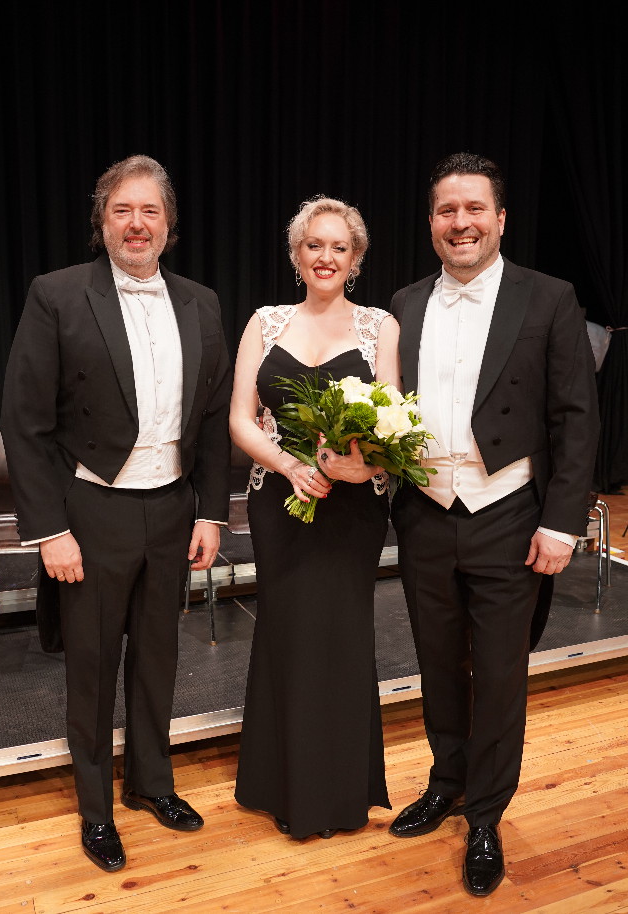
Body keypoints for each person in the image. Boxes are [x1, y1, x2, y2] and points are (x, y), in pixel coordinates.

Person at [0, 155, 231, 872]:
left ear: (168, 223)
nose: (137, 224)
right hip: (91, 511)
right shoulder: (57, 294)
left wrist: (211, 514)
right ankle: (96, 808)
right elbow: (25, 423)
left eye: (149, 211)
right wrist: (50, 530)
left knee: (159, 657)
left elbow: (214, 420)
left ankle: (151, 783)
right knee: (93, 666)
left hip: (173, 508)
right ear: (101, 222)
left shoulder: (202, 302)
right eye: (122, 210)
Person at [388, 153, 599, 896]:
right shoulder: (405, 303)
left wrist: (561, 524)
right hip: (425, 512)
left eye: (474, 208)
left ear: (500, 219)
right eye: (447, 210)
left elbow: (576, 420)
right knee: (437, 662)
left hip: (509, 513)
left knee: (501, 674)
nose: (461, 223)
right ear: (431, 222)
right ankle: (445, 782)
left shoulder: (549, 297)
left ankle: (485, 815)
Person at [230, 197, 400, 839]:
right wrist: (289, 467)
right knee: (287, 633)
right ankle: (282, 787)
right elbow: (240, 419)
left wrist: (358, 463)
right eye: (314, 245)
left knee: (343, 636)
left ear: (355, 259)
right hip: (281, 502)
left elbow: (393, 420)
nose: (325, 257)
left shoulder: (380, 327)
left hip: (353, 507)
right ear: (297, 254)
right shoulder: (265, 322)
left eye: (339, 247)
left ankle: (340, 793)